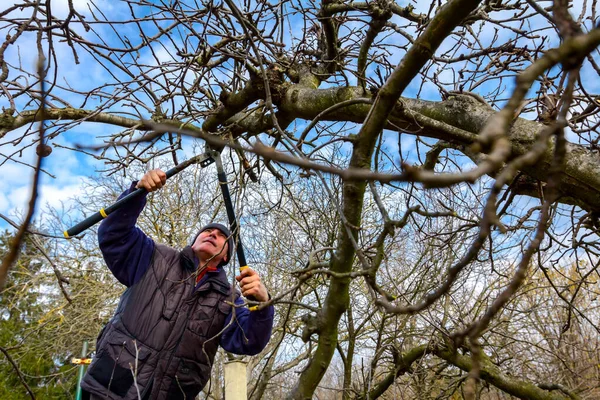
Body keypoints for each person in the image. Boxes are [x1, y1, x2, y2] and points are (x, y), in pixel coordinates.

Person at [81, 169, 274, 400]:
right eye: (207, 231)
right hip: (112, 387)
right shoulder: (154, 256)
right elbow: (114, 234)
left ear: (226, 256)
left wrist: (262, 304)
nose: (212, 234)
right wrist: (138, 192)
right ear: (194, 243)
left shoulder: (229, 299)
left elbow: (248, 341)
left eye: (221, 236)